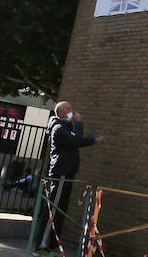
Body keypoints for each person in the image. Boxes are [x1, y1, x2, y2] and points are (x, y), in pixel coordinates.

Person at [34, 101, 100, 252]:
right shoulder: (59, 128)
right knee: (54, 210)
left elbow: (76, 139)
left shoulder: (65, 127)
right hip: (61, 173)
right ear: (62, 113)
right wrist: (81, 126)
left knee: (60, 211)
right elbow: (77, 140)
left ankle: (50, 244)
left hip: (66, 173)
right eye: (69, 109)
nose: (72, 111)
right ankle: (41, 246)